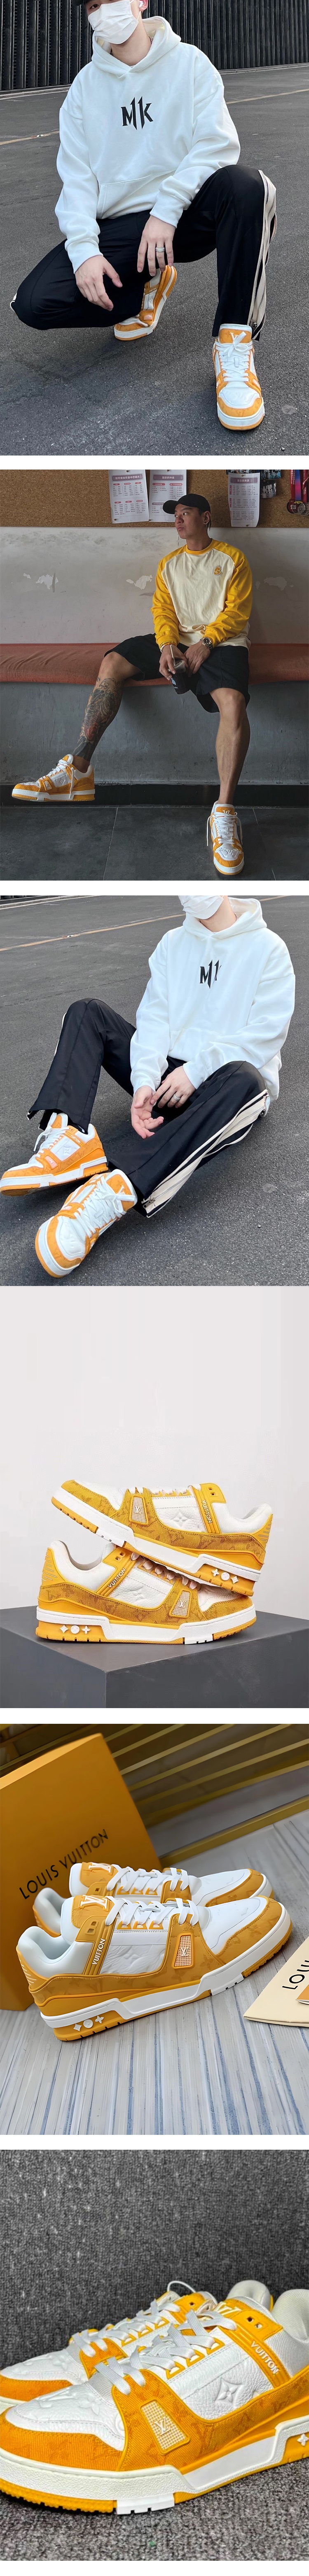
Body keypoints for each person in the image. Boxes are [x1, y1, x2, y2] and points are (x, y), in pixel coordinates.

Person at [0, 888, 295, 1282]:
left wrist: (196, 1072)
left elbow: (266, 1035)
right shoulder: (173, 944)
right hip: (166, 1082)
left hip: (223, 1089)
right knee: (88, 1013)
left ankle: (113, 1191)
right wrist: (144, 1080)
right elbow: (155, 1020)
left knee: (248, 1078)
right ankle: (69, 1138)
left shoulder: (268, 948)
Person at [12, 0, 276, 432]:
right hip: (124, 227)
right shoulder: (84, 89)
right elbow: (76, 180)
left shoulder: (189, 63)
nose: (104, 12)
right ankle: (145, 286)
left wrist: (167, 209)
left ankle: (234, 344)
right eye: (93, 5)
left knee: (247, 187)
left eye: (112, 0)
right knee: (35, 303)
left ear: (141, 2)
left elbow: (217, 145)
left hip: (183, 217)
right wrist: (85, 252)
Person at [12, 491, 253, 874]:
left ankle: (223, 812)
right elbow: (163, 610)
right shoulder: (169, 564)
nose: (178, 520)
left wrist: (206, 644)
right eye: (175, 515)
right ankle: (78, 771)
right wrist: (167, 646)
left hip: (221, 643)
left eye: (186, 513)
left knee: (234, 703)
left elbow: (237, 612)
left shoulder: (232, 559)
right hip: (178, 641)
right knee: (113, 661)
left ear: (206, 518)